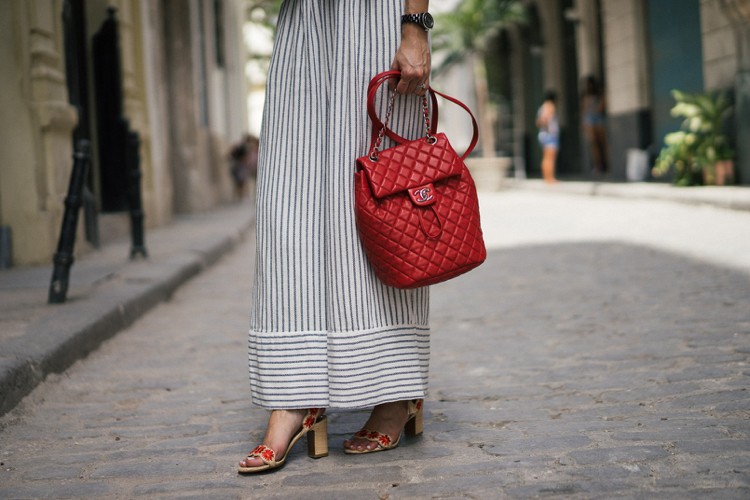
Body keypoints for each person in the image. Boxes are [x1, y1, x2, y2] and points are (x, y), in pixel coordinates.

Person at [238, 0, 433, 474]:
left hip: (378, 25)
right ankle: (293, 398)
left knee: (382, 203)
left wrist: (415, 25)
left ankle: (396, 391)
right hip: (303, 25)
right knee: (288, 201)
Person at [581, 75, 608, 175]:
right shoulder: (585, 96)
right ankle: (598, 165)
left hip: (597, 119)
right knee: (594, 145)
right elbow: (583, 110)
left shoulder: (598, 95)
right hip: (590, 121)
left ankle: (605, 164)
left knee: (602, 143)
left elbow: (602, 106)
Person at [536, 90, 559, 183]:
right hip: (550, 135)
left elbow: (538, 122)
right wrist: (547, 125)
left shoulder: (542, 107)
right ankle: (549, 178)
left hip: (544, 135)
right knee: (549, 158)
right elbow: (544, 119)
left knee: (546, 157)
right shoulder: (549, 106)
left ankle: (547, 177)